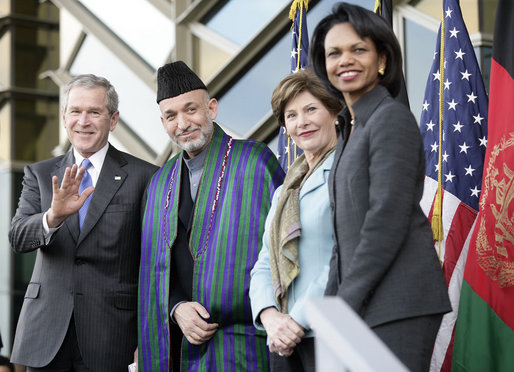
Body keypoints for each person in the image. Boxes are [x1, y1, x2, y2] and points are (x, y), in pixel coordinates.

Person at [309, 3, 452, 371]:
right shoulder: (348, 129)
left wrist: (344, 303)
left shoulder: (390, 119)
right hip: (361, 305)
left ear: (382, 59)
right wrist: (330, 312)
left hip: (399, 303)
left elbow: (385, 219)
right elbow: (345, 237)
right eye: (334, 53)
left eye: (358, 49)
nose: (345, 60)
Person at [138, 61, 285, 371]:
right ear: (163, 123)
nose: (182, 123)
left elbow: (285, 249)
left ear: (212, 108)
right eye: (171, 116)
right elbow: (155, 269)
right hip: (180, 346)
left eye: (191, 110)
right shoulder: (159, 183)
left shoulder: (255, 161)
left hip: (248, 342)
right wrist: (176, 308)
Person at [9, 74, 157, 371]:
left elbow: (154, 262)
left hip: (113, 337)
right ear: (64, 118)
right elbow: (18, 237)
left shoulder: (145, 177)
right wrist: (54, 216)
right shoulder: (39, 174)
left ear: (113, 119)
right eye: (76, 111)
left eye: (94, 112)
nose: (83, 121)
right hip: (46, 336)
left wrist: (148, 338)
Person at [249, 68, 342, 371]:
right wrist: (269, 316)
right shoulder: (284, 191)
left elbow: (345, 258)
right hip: (283, 341)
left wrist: (295, 321)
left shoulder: (348, 173)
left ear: (334, 112)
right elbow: (264, 262)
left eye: (311, 109)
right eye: (291, 115)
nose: (301, 122)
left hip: (335, 333)